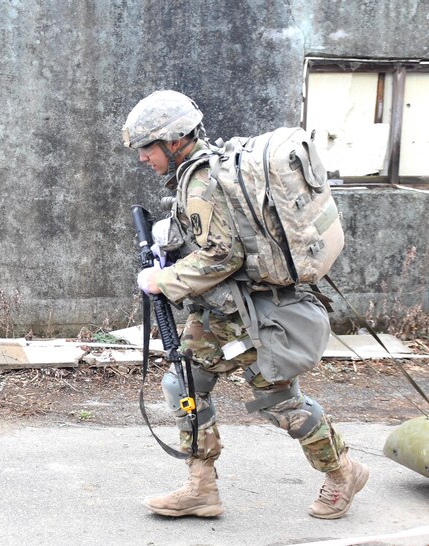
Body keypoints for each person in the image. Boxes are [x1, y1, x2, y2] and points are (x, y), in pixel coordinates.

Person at [121, 90, 369, 519]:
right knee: (183, 385)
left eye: (147, 147)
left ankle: (343, 471)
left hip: (251, 318)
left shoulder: (200, 181)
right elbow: (218, 240)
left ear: (174, 140)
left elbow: (222, 256)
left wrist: (161, 280)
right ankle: (201, 488)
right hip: (220, 313)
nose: (143, 157)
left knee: (280, 405)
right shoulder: (199, 174)